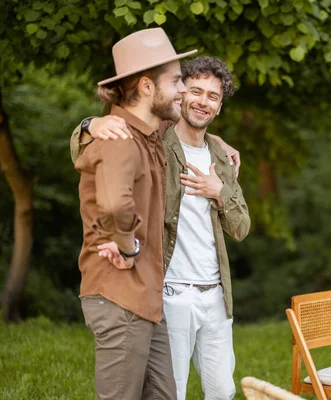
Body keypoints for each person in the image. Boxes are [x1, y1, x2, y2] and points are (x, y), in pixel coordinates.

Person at [71, 56, 250, 400]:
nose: (200, 100)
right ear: (179, 95)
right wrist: (89, 123)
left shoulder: (221, 158)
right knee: (172, 390)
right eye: (192, 90)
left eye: (213, 96)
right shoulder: (157, 141)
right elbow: (96, 154)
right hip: (168, 290)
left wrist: (220, 193)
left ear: (220, 108)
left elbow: (241, 227)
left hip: (215, 293)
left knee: (223, 389)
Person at [74, 27, 196, 400]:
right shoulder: (119, 138)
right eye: (176, 80)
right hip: (119, 294)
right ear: (146, 86)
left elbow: (196, 128)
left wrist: (83, 125)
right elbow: (113, 204)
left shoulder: (150, 134)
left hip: (144, 296)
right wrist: (126, 245)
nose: (183, 89)